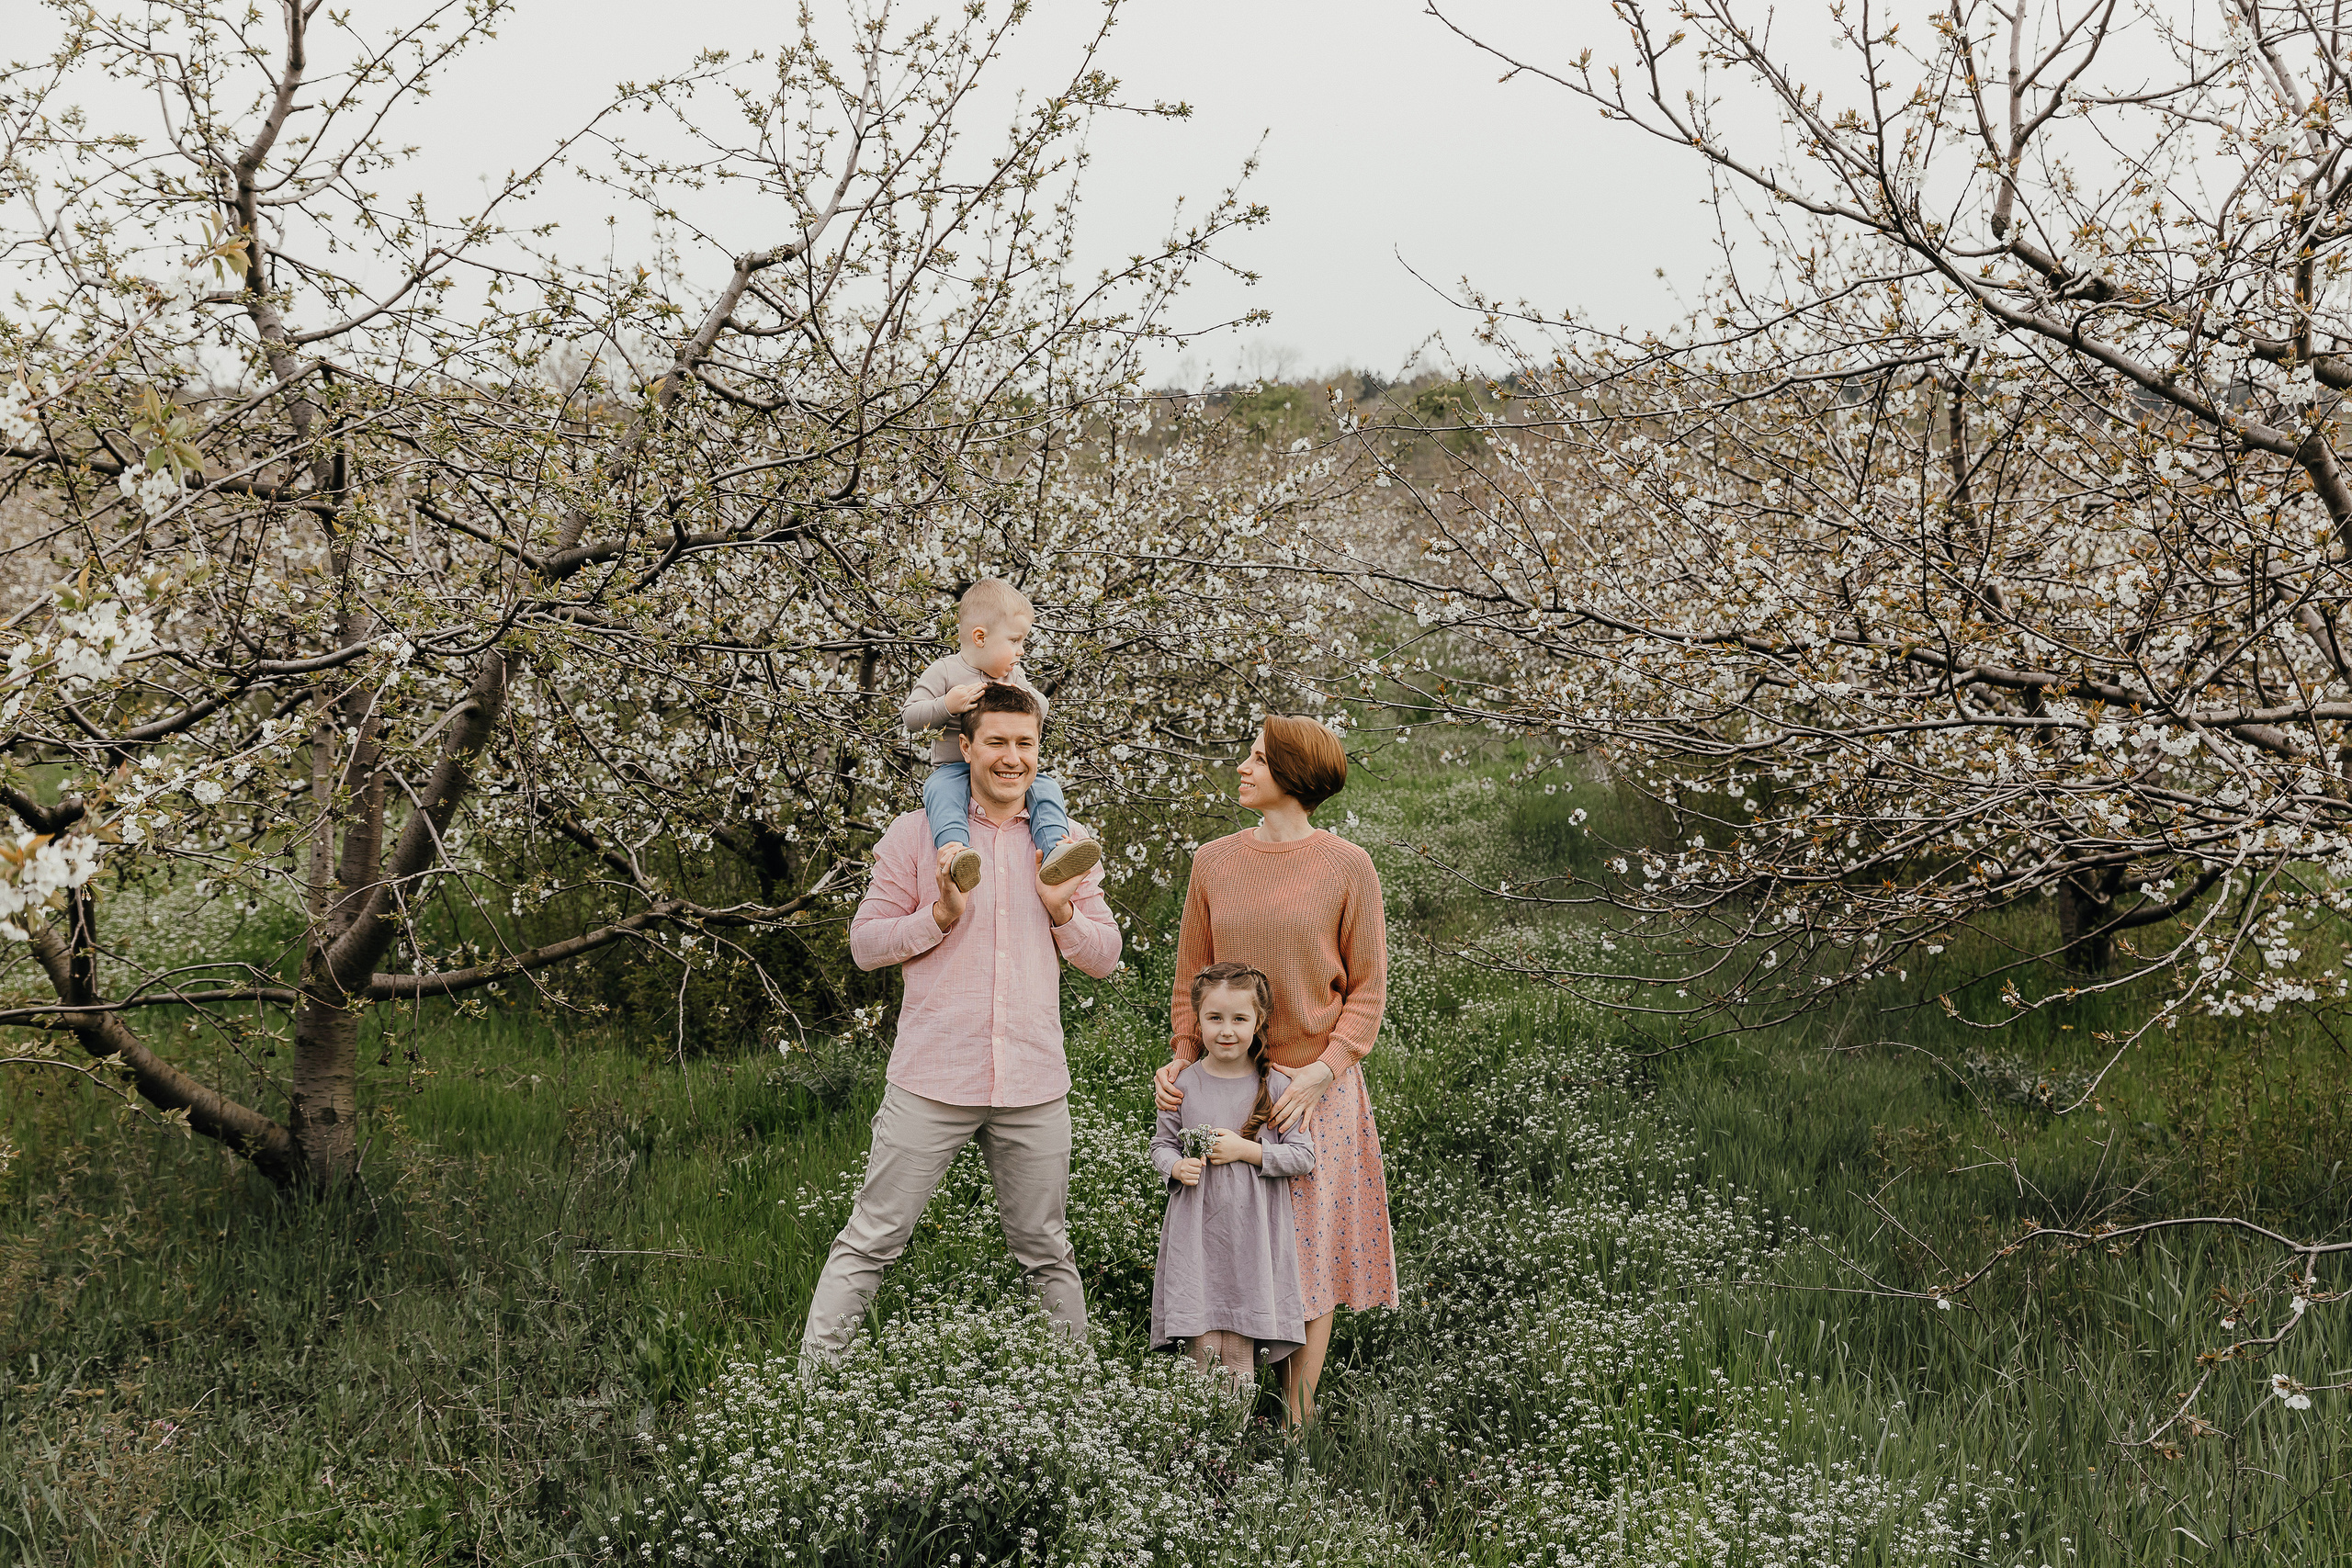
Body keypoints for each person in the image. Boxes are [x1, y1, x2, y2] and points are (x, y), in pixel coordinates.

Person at [802, 682, 1122, 1366]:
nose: (1012, 757)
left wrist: (1063, 910)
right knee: (872, 1238)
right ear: (967, 746)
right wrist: (939, 917)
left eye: (1025, 743)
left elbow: (1106, 956)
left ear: (1040, 748)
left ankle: (1079, 1391)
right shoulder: (917, 834)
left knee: (1047, 1250)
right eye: (998, 742)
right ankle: (811, 1387)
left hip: (1034, 1079)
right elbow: (865, 945)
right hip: (933, 1075)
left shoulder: (1063, 843)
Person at [1154, 716, 1395, 1426]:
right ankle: (1220, 1406)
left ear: (1293, 775)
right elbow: (1190, 978)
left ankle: (1296, 1416)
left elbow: (1368, 993)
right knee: (1230, 1240)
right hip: (1226, 1084)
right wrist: (1181, 1058)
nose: (1242, 766)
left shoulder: (1349, 866)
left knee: (1308, 1256)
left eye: (1257, 758)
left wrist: (1322, 1073)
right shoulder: (1213, 861)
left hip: (1316, 1086)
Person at [1148, 962, 1317, 1394]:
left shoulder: (1277, 1085)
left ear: (1258, 1022)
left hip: (1251, 1237)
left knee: (1240, 1345)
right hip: (1197, 1234)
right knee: (1199, 1343)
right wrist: (1174, 1167)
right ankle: (1199, 1440)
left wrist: (1247, 1151)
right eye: (1214, 1018)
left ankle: (1232, 1450)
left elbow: (1303, 1155)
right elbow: (1161, 1146)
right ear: (1198, 1021)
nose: (1227, 1030)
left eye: (1239, 1019)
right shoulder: (1181, 1083)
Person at [902, 577, 1103, 893]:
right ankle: (956, 853)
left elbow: (1041, 706)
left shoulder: (1012, 675)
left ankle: (1055, 849)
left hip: (1001, 771)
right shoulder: (944, 671)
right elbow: (911, 716)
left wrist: (1024, 693)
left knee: (1046, 788)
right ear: (980, 637)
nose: (1021, 651)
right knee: (940, 793)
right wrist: (945, 705)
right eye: (1014, 640)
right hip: (955, 768)